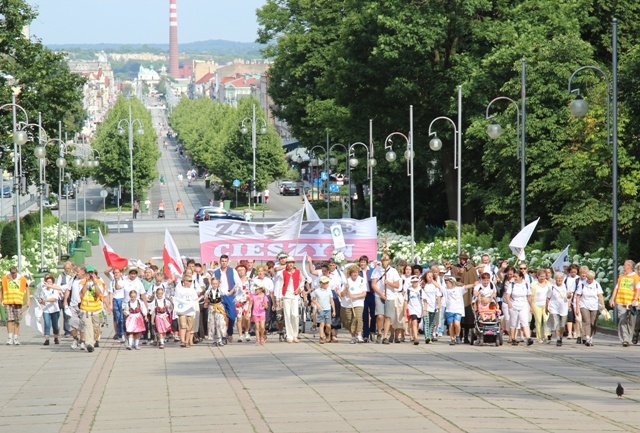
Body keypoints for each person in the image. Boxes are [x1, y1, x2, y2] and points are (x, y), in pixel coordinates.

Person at [371, 254, 400, 345]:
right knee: (380, 316)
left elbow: (397, 285)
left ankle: (385, 336)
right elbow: (373, 284)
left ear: (389, 260)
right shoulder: (377, 270)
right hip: (379, 295)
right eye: (383, 259)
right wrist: (381, 294)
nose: (385, 261)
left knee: (388, 317)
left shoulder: (393, 271)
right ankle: (379, 332)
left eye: (386, 260)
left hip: (390, 296)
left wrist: (389, 283)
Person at [610, 260, 640, 347]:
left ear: (629, 267)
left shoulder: (636, 277)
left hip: (631, 303)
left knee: (631, 321)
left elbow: (638, 289)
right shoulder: (621, 277)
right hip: (621, 301)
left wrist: (635, 299)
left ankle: (629, 339)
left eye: (624, 265)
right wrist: (612, 299)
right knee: (623, 319)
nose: (623, 266)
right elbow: (616, 288)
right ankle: (625, 339)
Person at [213, 254, 241, 343]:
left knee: (232, 316)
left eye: (225, 261)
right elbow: (212, 284)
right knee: (222, 317)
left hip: (230, 295)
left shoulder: (232, 271)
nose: (224, 263)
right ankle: (223, 336)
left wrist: (236, 292)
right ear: (220, 262)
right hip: (220, 296)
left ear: (227, 262)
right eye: (222, 261)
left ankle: (230, 332)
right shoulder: (216, 272)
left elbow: (238, 283)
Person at [276, 256, 304, 343]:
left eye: (292, 262)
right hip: (286, 296)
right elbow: (280, 286)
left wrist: (299, 288)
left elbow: (302, 281)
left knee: (295, 315)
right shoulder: (283, 273)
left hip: (295, 296)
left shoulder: (298, 272)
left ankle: (295, 334)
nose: (290, 264)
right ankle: (289, 335)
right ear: (286, 264)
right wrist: (280, 298)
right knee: (287, 316)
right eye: (288, 263)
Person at [79, 265, 106, 352]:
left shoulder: (99, 282)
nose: (90, 274)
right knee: (88, 326)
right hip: (85, 309)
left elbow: (99, 293)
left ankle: (93, 341)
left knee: (95, 327)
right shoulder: (82, 282)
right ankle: (89, 344)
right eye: (89, 273)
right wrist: (86, 282)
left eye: (92, 273)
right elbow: (81, 294)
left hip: (96, 309)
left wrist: (94, 282)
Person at [575, 270, 605, 347]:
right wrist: (577, 307)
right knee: (586, 321)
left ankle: (591, 337)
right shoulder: (582, 284)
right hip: (584, 305)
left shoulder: (596, 284)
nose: (590, 280)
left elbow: (600, 295)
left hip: (594, 305)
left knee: (593, 322)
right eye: (588, 279)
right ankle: (587, 338)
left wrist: (603, 304)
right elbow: (578, 296)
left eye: (591, 279)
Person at [505, 270, 534, 346]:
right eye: (514, 276)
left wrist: (531, 306)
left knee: (524, 321)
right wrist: (509, 303)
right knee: (514, 323)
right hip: (514, 305)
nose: (514, 278)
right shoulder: (512, 285)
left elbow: (529, 296)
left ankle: (528, 338)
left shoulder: (526, 285)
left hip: (523, 305)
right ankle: (513, 338)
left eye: (516, 277)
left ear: (521, 277)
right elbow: (507, 295)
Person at [1, 266, 30, 345]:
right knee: (9, 319)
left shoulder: (22, 279)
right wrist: (1, 299)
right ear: (10, 273)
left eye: (15, 274)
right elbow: (2, 289)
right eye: (12, 274)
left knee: (17, 320)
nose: (14, 276)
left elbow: (27, 289)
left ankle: (15, 337)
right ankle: (10, 337)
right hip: (8, 301)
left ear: (17, 272)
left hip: (18, 301)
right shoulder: (5, 278)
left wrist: (28, 300)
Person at [339, 265, 367, 344]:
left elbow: (364, 293)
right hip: (347, 304)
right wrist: (346, 289)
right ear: (350, 273)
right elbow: (342, 295)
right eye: (353, 273)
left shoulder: (362, 280)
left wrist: (355, 296)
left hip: (358, 303)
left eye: (356, 272)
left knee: (358, 318)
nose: (355, 274)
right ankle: (353, 336)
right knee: (349, 321)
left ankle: (359, 335)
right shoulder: (346, 281)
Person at [442, 277, 474, 345]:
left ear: (452, 283)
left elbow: (466, 287)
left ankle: (457, 336)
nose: (446, 284)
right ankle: (452, 339)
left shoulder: (459, 289)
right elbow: (438, 285)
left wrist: (474, 284)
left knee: (457, 324)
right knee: (451, 325)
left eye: (447, 283)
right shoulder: (445, 289)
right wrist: (432, 280)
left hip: (458, 310)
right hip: (449, 310)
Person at [38, 274, 63, 346]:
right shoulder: (43, 290)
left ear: (52, 283)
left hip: (55, 310)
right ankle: (47, 339)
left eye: (50, 282)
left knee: (55, 325)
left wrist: (45, 300)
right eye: (47, 282)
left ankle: (56, 337)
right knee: (47, 324)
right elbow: (41, 298)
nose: (48, 284)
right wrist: (41, 301)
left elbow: (54, 299)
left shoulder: (54, 290)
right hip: (46, 310)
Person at [546, 273, 569, 346]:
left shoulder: (565, 286)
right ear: (555, 279)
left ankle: (561, 336)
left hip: (563, 308)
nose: (559, 280)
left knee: (562, 325)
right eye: (558, 278)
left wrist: (569, 296)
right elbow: (548, 297)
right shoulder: (552, 287)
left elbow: (568, 296)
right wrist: (547, 307)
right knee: (556, 323)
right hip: (554, 308)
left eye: (560, 278)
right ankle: (558, 338)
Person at [312, 275, 335, 344]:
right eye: (325, 283)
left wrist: (334, 310)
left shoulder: (329, 291)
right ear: (321, 283)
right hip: (321, 309)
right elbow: (313, 299)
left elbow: (331, 300)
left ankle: (327, 334)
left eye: (327, 283)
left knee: (328, 325)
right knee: (322, 324)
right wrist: (317, 304)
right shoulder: (317, 291)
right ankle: (321, 337)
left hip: (328, 309)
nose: (326, 284)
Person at [531, 269, 552, 343]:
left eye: (543, 276)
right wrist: (531, 306)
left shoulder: (549, 284)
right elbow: (531, 296)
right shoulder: (533, 284)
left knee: (546, 320)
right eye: (540, 276)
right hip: (537, 304)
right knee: (538, 321)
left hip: (546, 304)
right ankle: (539, 337)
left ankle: (546, 335)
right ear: (538, 276)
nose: (542, 278)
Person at [404, 276, 426, 345]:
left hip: (419, 309)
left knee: (417, 323)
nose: (415, 283)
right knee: (414, 322)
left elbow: (425, 300)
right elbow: (406, 301)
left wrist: (425, 309)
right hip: (411, 308)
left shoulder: (421, 290)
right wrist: (405, 310)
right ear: (411, 282)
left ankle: (414, 334)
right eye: (414, 282)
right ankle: (416, 338)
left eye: (416, 281)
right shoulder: (408, 290)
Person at [421, 270, 442, 343]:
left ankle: (430, 336)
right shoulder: (424, 285)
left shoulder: (434, 285)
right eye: (428, 276)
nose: (430, 278)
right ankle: (427, 337)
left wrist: (439, 304)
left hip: (433, 306)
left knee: (431, 323)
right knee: (426, 322)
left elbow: (438, 294)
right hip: (425, 306)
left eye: (431, 276)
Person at [205, 278, 227, 347]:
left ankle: (220, 339)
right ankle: (214, 340)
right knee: (212, 324)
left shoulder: (220, 290)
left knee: (220, 324)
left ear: (218, 284)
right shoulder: (208, 291)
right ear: (211, 284)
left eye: (216, 284)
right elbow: (206, 300)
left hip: (219, 307)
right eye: (213, 284)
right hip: (211, 308)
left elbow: (228, 293)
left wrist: (234, 288)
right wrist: (206, 300)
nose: (214, 285)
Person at [106, 267, 126, 343]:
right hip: (115, 300)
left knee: (122, 318)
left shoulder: (124, 281)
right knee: (117, 318)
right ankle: (119, 334)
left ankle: (123, 334)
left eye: (117, 272)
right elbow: (111, 293)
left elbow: (118, 287)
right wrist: (110, 304)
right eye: (114, 273)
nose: (116, 274)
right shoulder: (112, 282)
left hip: (122, 300)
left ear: (121, 273)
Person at [56, 261, 75, 337]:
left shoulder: (73, 276)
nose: (67, 270)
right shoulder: (61, 276)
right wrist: (60, 292)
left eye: (69, 268)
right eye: (66, 268)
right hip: (62, 297)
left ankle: (67, 330)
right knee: (59, 314)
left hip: (70, 297)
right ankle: (60, 330)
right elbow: (58, 286)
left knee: (67, 314)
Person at [234, 264, 252, 342]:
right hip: (238, 301)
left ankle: (247, 331)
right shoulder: (235, 280)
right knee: (239, 318)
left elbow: (253, 291)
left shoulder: (249, 280)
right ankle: (240, 335)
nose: (241, 272)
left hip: (247, 300)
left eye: (242, 270)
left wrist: (251, 301)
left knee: (247, 318)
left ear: (245, 271)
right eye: (239, 270)